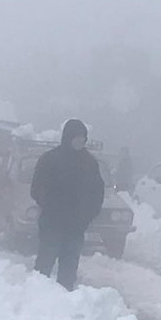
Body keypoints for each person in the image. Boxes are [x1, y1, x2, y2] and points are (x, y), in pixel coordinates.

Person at [30, 119, 104, 290]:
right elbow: (37, 189)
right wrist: (53, 207)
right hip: (51, 223)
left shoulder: (90, 163)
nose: (80, 140)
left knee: (69, 268)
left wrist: (87, 216)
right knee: (45, 263)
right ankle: (36, 297)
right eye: (76, 136)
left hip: (76, 226)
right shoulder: (50, 159)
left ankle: (65, 301)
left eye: (83, 137)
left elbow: (97, 193)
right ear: (67, 137)